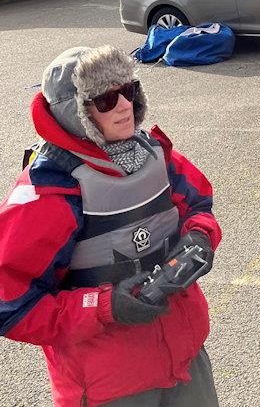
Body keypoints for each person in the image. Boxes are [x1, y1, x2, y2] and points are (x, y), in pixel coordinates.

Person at [0, 46, 221, 406]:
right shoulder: (48, 194)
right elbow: (10, 306)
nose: (124, 106)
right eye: (105, 99)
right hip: (111, 388)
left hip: (186, 361)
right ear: (75, 113)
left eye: (129, 91)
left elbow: (199, 205)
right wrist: (104, 306)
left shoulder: (154, 154)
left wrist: (199, 237)